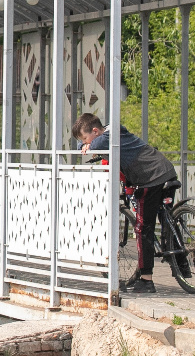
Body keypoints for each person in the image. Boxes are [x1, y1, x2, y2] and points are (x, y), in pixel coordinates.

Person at [73, 112, 178, 294]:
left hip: (150, 178)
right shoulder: (111, 131)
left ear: (96, 131)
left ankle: (146, 281)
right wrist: (84, 142)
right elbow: (78, 145)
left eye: (85, 137)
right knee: (165, 220)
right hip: (165, 170)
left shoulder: (108, 136)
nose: (85, 141)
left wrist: (88, 145)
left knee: (143, 228)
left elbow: (96, 144)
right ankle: (176, 256)